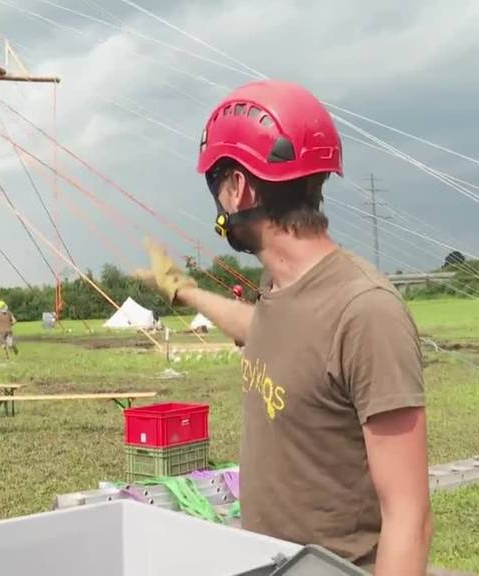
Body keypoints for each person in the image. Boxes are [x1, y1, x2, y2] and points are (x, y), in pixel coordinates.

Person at [138, 80, 432, 575]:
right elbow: (267, 331)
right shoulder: (279, 289)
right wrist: (183, 292)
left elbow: (410, 516)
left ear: (239, 189)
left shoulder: (365, 312)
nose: (218, 208)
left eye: (217, 188)